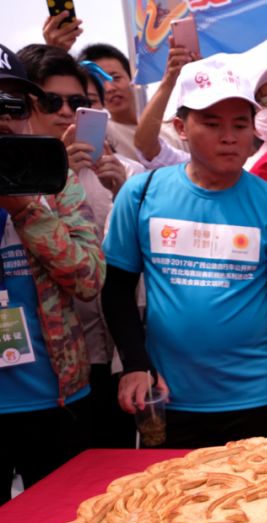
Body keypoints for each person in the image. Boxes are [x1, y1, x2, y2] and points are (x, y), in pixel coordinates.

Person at [101, 57, 267, 448]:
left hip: (257, 401)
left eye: (240, 124)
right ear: (182, 128)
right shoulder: (142, 194)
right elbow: (116, 289)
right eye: (212, 124)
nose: (229, 137)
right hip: (169, 400)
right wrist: (135, 364)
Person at [19, 44, 136, 448]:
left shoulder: (128, 174)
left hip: (114, 358)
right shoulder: (22, 181)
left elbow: (108, 273)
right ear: (26, 106)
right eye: (52, 101)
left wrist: (123, 192)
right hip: (51, 366)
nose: (67, 112)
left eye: (79, 103)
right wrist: (52, 178)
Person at [0, 43, 102, 502]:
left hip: (56, 400)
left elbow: (89, 279)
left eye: (14, 105)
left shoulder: (55, 181)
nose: (4, 117)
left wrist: (25, 206)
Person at [76, 44, 140, 161]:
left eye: (116, 78)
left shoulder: (171, 126)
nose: (110, 88)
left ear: (132, 76)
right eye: (99, 82)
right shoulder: (100, 132)